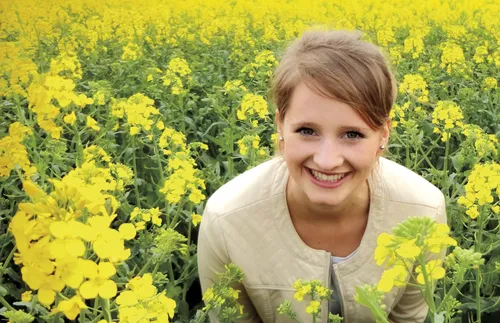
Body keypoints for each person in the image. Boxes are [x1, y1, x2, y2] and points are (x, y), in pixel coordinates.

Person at [197, 30, 447, 323]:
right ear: (280, 124)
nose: (327, 161)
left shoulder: (423, 211)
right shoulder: (227, 220)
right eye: (307, 131)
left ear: (383, 134)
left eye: (352, 134)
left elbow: (406, 320)